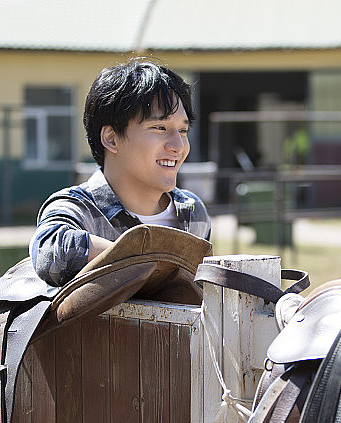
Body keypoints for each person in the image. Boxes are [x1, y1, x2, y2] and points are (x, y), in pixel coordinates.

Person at [30, 59, 211, 286]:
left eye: (183, 130)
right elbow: (52, 255)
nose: (178, 146)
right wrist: (158, 262)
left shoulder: (193, 213)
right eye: (160, 128)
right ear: (111, 138)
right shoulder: (78, 209)